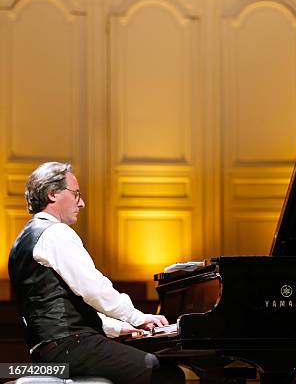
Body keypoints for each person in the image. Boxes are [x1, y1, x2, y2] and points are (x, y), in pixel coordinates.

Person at [8, 162, 184, 384]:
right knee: (163, 373)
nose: (82, 203)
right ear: (52, 194)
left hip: (45, 350)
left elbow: (61, 304)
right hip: (71, 346)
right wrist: (137, 317)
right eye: (76, 194)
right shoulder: (55, 233)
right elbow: (93, 289)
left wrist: (118, 327)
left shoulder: (22, 240)